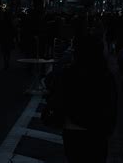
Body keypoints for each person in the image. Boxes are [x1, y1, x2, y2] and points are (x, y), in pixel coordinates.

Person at [45, 34, 118, 163]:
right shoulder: (105, 75)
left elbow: (54, 90)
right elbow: (112, 104)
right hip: (98, 130)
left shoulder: (69, 73)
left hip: (73, 129)